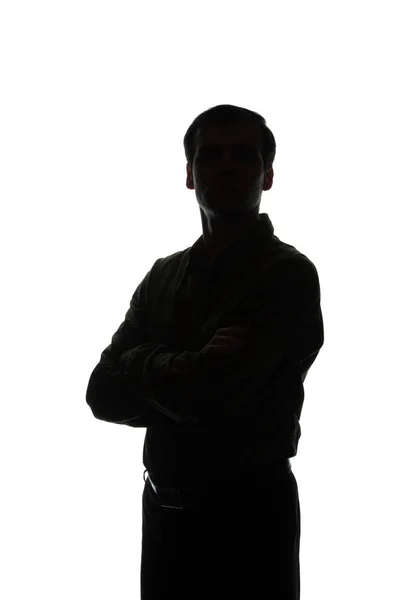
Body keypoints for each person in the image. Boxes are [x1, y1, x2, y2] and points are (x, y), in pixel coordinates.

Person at [86, 104, 324, 599]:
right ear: (190, 175)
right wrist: (186, 363)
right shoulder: (162, 275)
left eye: (243, 155)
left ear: (268, 174)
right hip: (164, 519)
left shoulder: (288, 277)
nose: (227, 166)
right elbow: (100, 391)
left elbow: (215, 397)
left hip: (251, 524)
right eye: (211, 155)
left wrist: (144, 365)